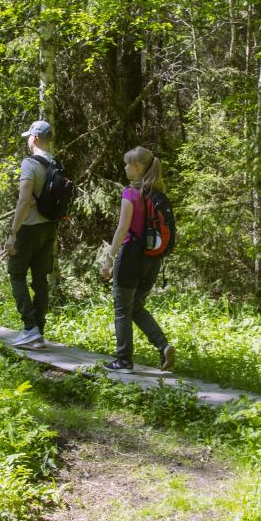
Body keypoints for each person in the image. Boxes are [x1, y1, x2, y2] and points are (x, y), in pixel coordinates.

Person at [100, 146, 174, 372]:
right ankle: (163, 346)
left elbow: (122, 229)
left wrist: (108, 259)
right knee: (136, 307)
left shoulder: (130, 194)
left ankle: (123, 361)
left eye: (127, 164)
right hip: (152, 260)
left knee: (122, 309)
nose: (124, 167)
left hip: (130, 257)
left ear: (138, 167)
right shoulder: (157, 195)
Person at [7, 120, 57, 349]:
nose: (28, 140)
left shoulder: (29, 164)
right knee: (39, 280)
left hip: (28, 228)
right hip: (49, 227)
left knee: (16, 275)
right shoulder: (54, 163)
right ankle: (39, 330)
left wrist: (12, 232)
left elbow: (24, 199)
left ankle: (29, 328)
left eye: (29, 136)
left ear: (34, 138)